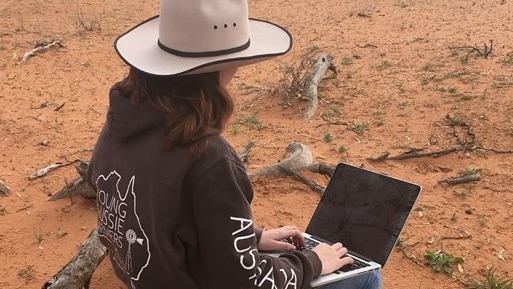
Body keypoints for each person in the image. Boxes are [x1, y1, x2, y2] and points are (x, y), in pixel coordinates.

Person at [86, 0, 382, 289]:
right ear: (217, 69)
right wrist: (313, 262)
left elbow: (165, 219)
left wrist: (250, 239)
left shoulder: (120, 125)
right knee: (365, 276)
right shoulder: (207, 158)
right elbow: (244, 282)